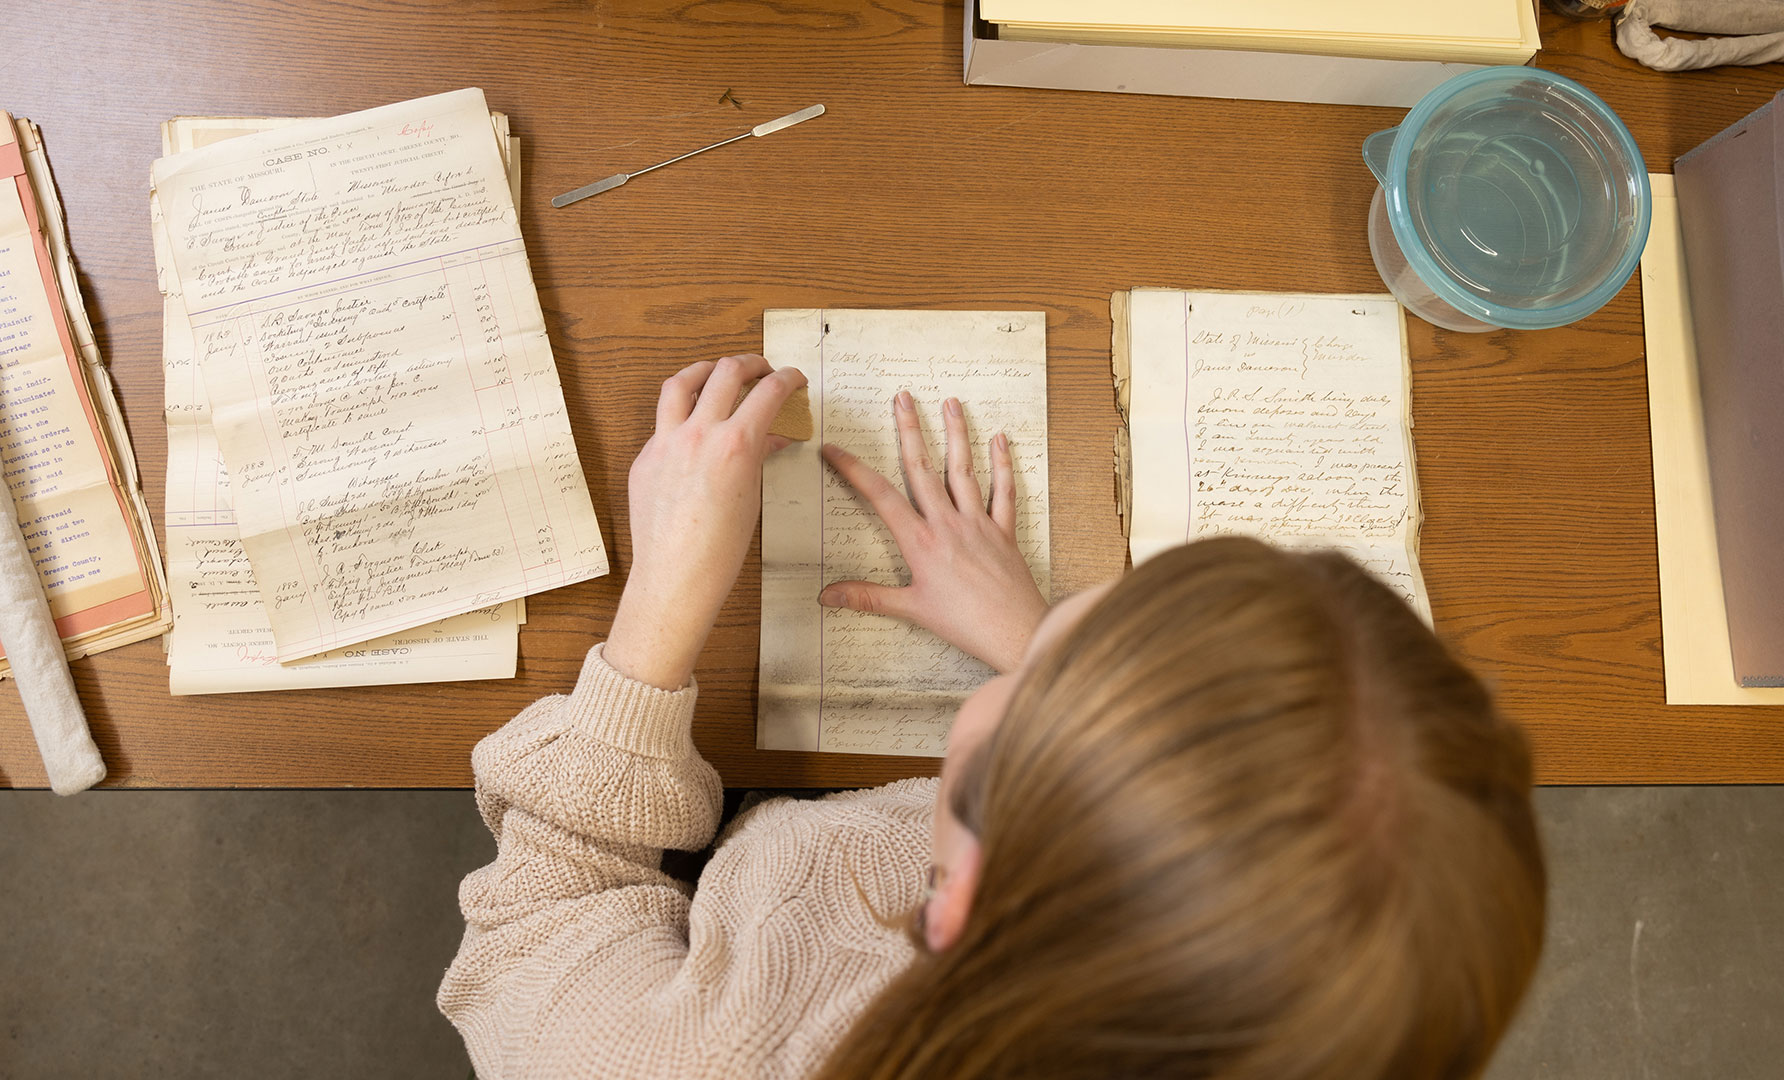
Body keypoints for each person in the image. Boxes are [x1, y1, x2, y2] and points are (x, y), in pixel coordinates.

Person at [438, 354, 1547, 1080]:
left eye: (1045, 673)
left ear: (952, 899)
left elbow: (541, 916)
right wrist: (1035, 649)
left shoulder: (715, 1055)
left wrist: (657, 615)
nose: (1046, 633)